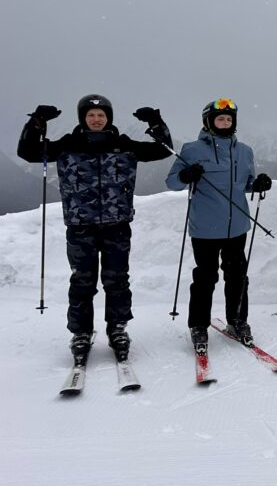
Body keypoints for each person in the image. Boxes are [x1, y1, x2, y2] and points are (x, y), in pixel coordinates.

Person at [17, 95, 172, 362]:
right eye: (91, 115)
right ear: (83, 118)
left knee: (117, 281)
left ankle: (117, 329)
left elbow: (164, 150)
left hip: (117, 226)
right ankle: (81, 333)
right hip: (80, 227)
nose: (96, 119)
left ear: (108, 118)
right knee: (82, 282)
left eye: (101, 115)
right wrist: (37, 121)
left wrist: (156, 123)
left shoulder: (124, 146)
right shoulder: (67, 146)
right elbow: (28, 152)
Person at [166, 98, 271, 349]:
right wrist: (185, 175)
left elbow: (245, 183)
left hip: (237, 227)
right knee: (205, 278)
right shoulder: (192, 149)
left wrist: (257, 184)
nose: (225, 123)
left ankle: (237, 320)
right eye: (220, 119)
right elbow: (172, 182)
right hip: (205, 228)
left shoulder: (245, 151)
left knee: (238, 276)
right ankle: (199, 325)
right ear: (208, 122)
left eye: (229, 119)